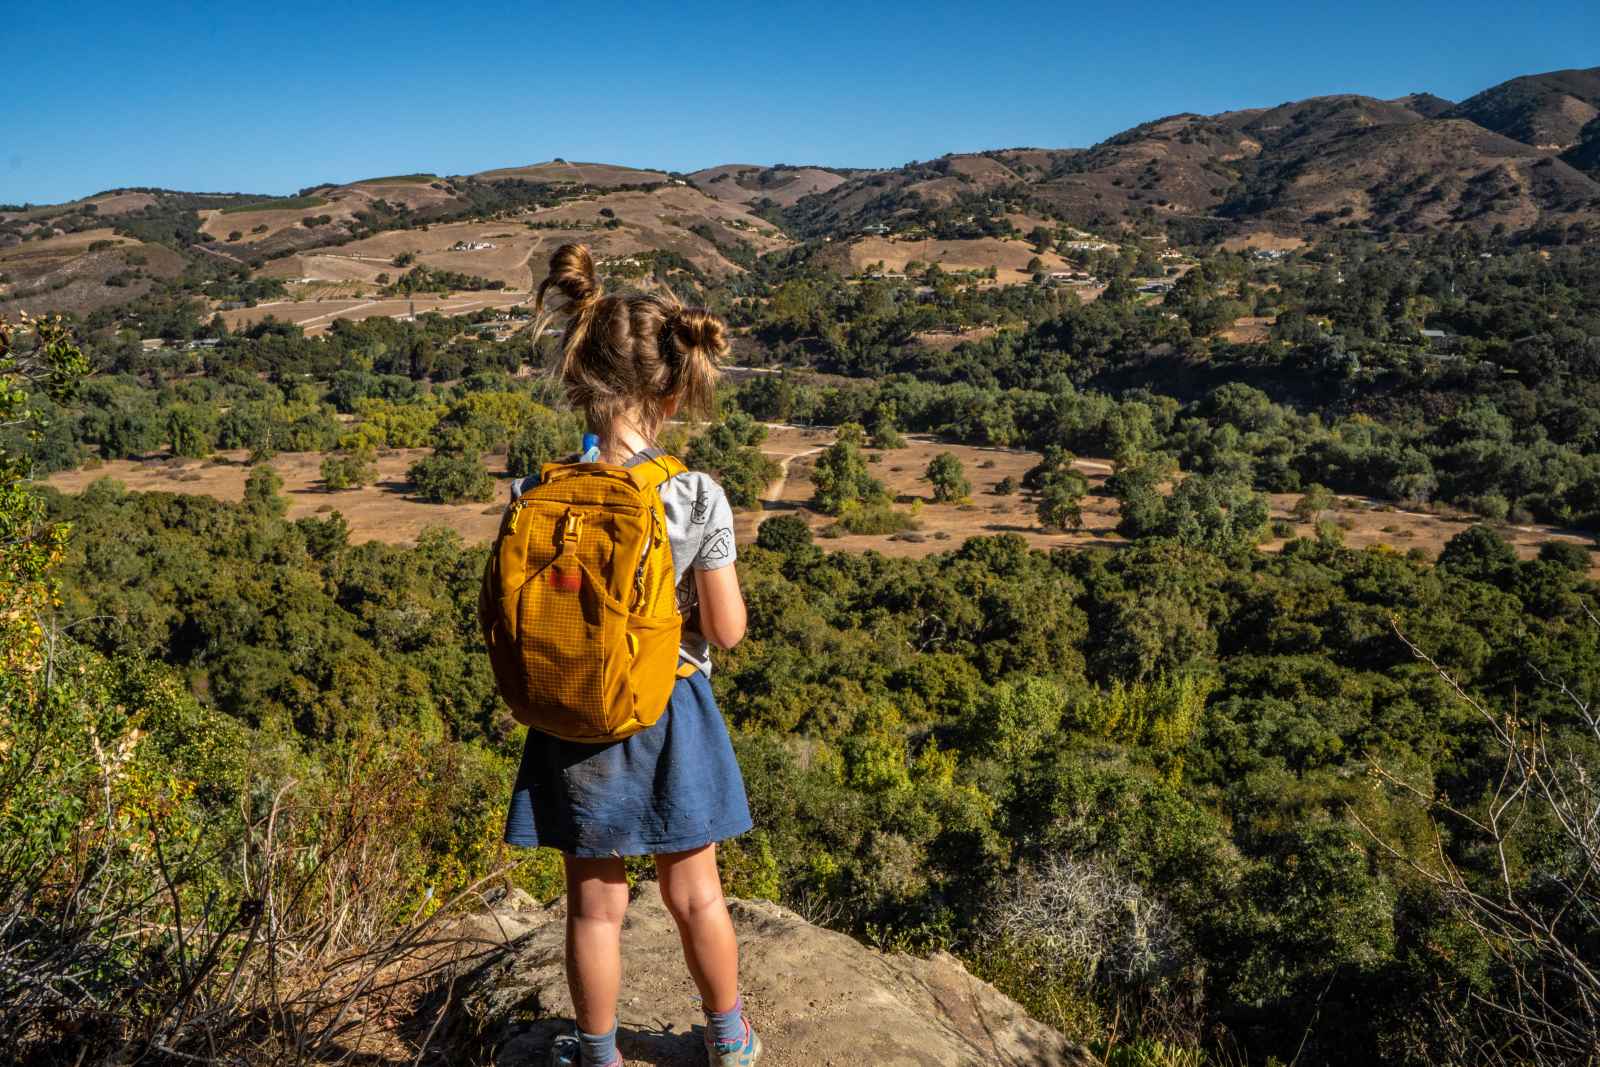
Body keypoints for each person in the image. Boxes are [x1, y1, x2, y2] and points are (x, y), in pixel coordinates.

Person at [503, 243, 763, 1067]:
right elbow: (726, 632)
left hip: (574, 708)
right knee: (696, 894)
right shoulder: (694, 491)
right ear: (673, 387)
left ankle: (600, 1053)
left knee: (594, 908)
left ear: (581, 370)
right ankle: (730, 1039)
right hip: (671, 706)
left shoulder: (535, 492)